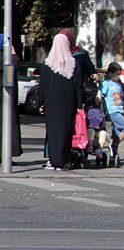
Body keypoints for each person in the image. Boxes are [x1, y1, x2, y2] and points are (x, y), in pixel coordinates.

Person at [39, 33, 83, 171]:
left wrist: (41, 103)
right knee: (66, 130)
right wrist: (79, 104)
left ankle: (53, 160)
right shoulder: (73, 64)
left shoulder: (47, 65)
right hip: (68, 103)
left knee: (52, 131)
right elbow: (78, 86)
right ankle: (63, 160)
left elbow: (42, 86)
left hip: (51, 103)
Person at [98, 62, 124, 160]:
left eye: (119, 74)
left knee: (116, 133)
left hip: (120, 110)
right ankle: (114, 146)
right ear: (110, 73)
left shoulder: (118, 84)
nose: (118, 76)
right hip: (113, 111)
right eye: (116, 74)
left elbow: (121, 97)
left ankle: (114, 152)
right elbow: (102, 95)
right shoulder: (106, 84)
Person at [0, 35, 23, 162]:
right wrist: (13, 53)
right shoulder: (8, 61)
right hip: (7, 102)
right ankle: (7, 156)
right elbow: (14, 66)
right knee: (8, 127)